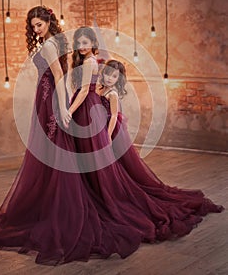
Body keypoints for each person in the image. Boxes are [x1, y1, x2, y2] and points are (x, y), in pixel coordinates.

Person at [0, 7, 119, 265]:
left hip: (51, 99)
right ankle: (50, 202)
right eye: (33, 26)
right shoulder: (50, 42)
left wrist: (63, 107)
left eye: (39, 25)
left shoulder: (49, 46)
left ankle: (62, 207)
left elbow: (57, 75)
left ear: (48, 22)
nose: (36, 29)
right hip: (47, 97)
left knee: (55, 147)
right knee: (49, 150)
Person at [69, 30, 224, 251]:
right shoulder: (97, 80)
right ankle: (90, 194)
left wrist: (107, 137)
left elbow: (110, 114)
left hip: (102, 127)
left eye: (86, 42)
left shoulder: (107, 87)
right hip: (93, 119)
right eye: (79, 42)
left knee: (106, 167)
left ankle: (106, 197)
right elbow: (92, 92)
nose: (81, 46)